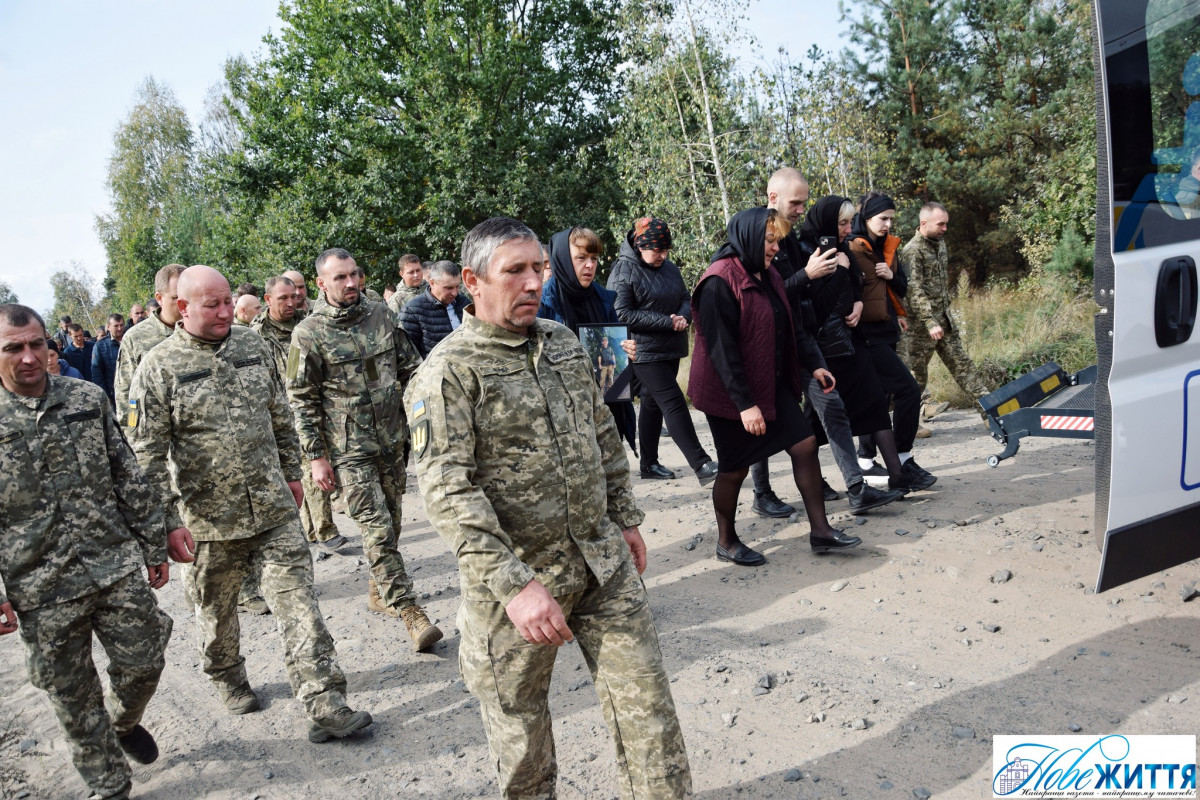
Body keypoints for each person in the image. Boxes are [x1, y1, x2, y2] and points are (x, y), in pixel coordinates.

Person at [408, 217, 690, 800]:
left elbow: (602, 435)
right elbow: (449, 493)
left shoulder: (562, 342)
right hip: (518, 585)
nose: (533, 282)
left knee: (648, 709)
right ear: (472, 281)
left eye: (538, 268)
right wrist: (516, 586)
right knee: (522, 739)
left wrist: (626, 518)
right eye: (514, 271)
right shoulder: (446, 373)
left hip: (601, 563)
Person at [129, 266, 371, 742]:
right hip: (207, 522)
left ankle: (324, 702)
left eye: (227, 303)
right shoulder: (158, 367)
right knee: (217, 617)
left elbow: (280, 413)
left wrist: (290, 471)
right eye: (211, 305)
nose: (224, 313)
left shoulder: (252, 346)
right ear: (182, 308)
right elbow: (147, 458)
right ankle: (227, 675)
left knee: (299, 605)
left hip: (273, 507)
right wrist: (167, 521)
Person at [0, 304, 173, 800]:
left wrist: (151, 540)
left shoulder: (86, 398)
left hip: (111, 562)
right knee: (71, 697)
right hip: (39, 586)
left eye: (37, 344)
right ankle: (110, 785)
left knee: (146, 662)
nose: (29, 357)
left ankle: (121, 723)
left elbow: (126, 473)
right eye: (14, 348)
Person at [288, 248, 443, 651]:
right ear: (321, 284)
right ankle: (410, 610)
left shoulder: (381, 314)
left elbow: (411, 369)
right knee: (375, 529)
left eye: (355, 274)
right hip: (347, 449)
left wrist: (425, 419)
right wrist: (316, 455)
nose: (352, 283)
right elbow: (301, 399)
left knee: (390, 525)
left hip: (392, 442)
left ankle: (379, 592)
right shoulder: (308, 333)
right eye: (340, 278)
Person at [690, 207, 861, 565]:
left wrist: (814, 364)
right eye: (770, 241)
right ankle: (726, 540)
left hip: (769, 380)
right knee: (734, 469)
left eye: (777, 241)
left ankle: (821, 531)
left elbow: (791, 324)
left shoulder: (768, 274)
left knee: (804, 443)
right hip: (729, 392)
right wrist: (745, 405)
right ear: (749, 238)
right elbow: (721, 352)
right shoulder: (718, 282)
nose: (775, 249)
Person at [746, 169, 905, 517]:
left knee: (832, 407)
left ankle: (857, 488)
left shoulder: (795, 239)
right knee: (765, 420)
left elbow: (809, 300)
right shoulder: (754, 234)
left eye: (805, 202)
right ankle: (761, 492)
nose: (802, 208)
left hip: (802, 341)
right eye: (796, 202)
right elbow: (763, 300)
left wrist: (849, 290)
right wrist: (808, 275)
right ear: (773, 198)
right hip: (766, 348)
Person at [796, 195, 935, 495]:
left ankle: (897, 477)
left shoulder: (843, 247)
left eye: (848, 222)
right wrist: (843, 271)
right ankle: (818, 481)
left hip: (852, 340)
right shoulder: (807, 251)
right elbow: (817, 305)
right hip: (823, 348)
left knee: (874, 402)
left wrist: (858, 303)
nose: (847, 228)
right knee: (817, 423)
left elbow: (858, 288)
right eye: (842, 223)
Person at [609, 216, 718, 485]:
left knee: (652, 403)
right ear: (640, 245)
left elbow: (684, 297)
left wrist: (683, 317)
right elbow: (621, 312)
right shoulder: (623, 271)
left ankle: (648, 464)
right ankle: (702, 464)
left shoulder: (669, 268)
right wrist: (667, 322)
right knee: (673, 401)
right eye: (657, 250)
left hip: (670, 347)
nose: (663, 255)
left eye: (666, 249)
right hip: (642, 351)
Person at [846, 192, 936, 485]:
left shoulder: (890, 246)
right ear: (867, 217)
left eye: (891, 219)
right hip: (865, 334)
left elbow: (902, 287)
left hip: (886, 329)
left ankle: (866, 461)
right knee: (908, 390)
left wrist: (888, 276)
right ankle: (902, 459)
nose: (887, 224)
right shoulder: (852, 247)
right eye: (882, 218)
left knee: (880, 396)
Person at [253, 275, 346, 551]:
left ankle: (324, 530)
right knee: (295, 473)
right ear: (268, 300)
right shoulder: (257, 336)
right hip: (277, 415)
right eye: (283, 298)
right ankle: (311, 529)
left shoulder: (308, 324)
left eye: (294, 296)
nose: (292, 302)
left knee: (314, 466)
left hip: (309, 408)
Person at [538, 225, 638, 451]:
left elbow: (613, 343)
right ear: (562, 259)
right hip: (560, 413)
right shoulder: (542, 301)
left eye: (594, 258)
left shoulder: (603, 299)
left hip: (602, 409)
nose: (590, 265)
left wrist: (627, 347)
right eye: (581, 258)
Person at [900, 202, 991, 405]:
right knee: (917, 378)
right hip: (920, 328)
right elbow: (914, 289)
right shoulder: (911, 251)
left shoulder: (940, 244)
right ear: (924, 223)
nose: (945, 229)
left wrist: (941, 319)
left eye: (946, 224)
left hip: (944, 321)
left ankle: (991, 412)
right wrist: (930, 322)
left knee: (963, 366)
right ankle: (905, 425)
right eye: (940, 224)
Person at [399, 259, 470, 357]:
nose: (454, 293)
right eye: (448, 288)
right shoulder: (412, 312)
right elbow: (411, 358)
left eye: (457, 286)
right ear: (432, 283)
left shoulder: (464, 302)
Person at [91, 313, 125, 406]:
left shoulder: (130, 340)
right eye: (116, 326)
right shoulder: (100, 346)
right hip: (113, 394)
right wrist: (105, 395)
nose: (119, 328)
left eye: (121, 325)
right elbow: (97, 374)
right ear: (108, 327)